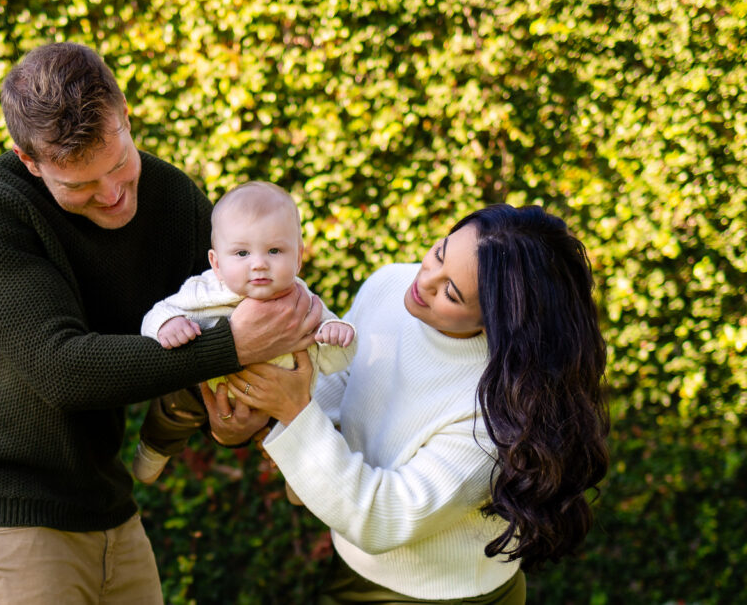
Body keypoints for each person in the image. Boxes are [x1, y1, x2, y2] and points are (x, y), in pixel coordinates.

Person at [0, 41, 323, 605]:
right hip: (10, 509)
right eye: (80, 186)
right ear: (29, 160)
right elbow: (61, 369)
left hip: (107, 497)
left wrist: (239, 424)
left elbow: (217, 328)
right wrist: (230, 348)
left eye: (119, 163)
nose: (114, 194)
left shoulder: (176, 201)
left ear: (126, 117)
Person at [229, 204, 610, 604]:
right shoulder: (390, 284)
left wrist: (296, 416)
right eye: (440, 253)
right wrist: (282, 424)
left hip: (445, 594)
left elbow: (381, 518)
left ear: (493, 322)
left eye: (451, 293)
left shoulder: (501, 411)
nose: (424, 280)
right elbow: (344, 377)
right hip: (354, 562)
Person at [131, 180, 357, 494]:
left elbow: (337, 359)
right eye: (241, 253)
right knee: (172, 410)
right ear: (216, 263)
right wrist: (168, 324)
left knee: (297, 428)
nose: (259, 263)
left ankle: (302, 481)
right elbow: (155, 314)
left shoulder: (304, 301)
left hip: (273, 398)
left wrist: (337, 333)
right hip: (203, 387)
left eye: (275, 250)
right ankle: (154, 447)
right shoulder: (204, 291)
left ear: (299, 257)